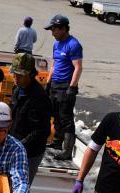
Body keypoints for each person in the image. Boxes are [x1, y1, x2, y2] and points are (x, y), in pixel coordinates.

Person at [9, 53, 52, 185]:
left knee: (21, 186)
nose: (15, 77)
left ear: (31, 74)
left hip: (31, 152)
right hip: (15, 143)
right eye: (14, 74)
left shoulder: (39, 98)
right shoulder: (17, 88)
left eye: (20, 75)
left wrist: (18, 147)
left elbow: (40, 131)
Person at [45, 14, 83, 160]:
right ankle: (56, 143)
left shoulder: (73, 44)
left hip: (65, 86)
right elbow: (54, 64)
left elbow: (78, 67)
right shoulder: (56, 44)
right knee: (56, 116)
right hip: (55, 84)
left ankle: (66, 151)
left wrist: (71, 88)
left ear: (62, 28)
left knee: (65, 118)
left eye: (54, 30)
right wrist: (48, 82)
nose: (52, 33)